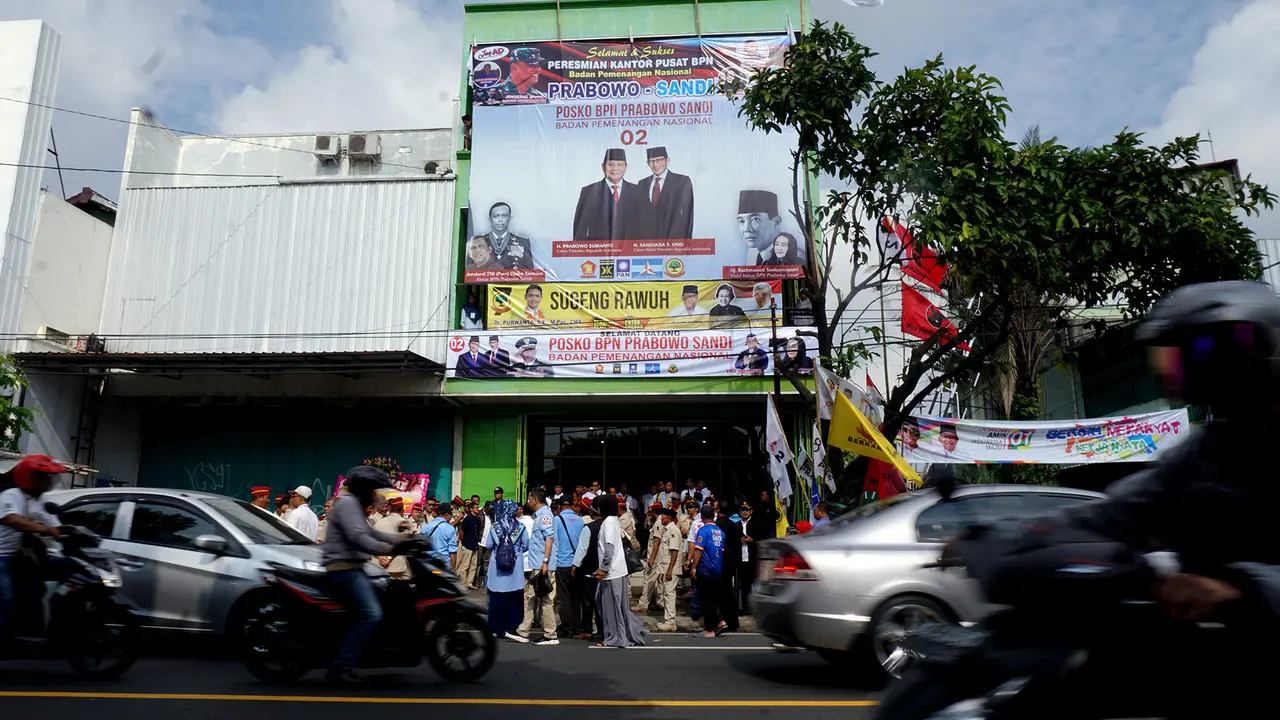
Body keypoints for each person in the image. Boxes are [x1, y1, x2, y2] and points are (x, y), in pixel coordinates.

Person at [968, 280, 1280, 719]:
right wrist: (998, 536)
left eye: (1198, 352)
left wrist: (1241, 591)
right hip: (1208, 652)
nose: (1180, 369)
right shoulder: (1203, 452)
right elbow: (1111, 514)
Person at [321, 466, 423, 684]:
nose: (376, 494)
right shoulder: (348, 504)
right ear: (364, 488)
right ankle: (341, 666)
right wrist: (392, 549)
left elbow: (372, 533)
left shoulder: (354, 505)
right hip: (343, 568)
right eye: (373, 489)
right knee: (371, 613)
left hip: (355, 567)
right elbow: (360, 538)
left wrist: (403, 540)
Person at [0, 455, 65, 639]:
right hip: (2, 556)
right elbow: (12, 520)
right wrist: (43, 529)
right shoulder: (11, 495)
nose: (49, 481)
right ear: (31, 477)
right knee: (4, 597)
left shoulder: (40, 501)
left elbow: (55, 525)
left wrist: (75, 533)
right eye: (44, 477)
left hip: (18, 556)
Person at [593, 494, 647, 647]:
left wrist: (603, 569)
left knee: (612, 607)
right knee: (613, 605)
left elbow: (609, 547)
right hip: (615, 571)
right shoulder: (613, 521)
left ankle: (616, 638)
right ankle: (626, 633)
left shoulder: (608, 522)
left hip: (612, 572)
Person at [572, 148, 654, 242]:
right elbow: (580, 227)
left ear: (625, 167)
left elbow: (647, 226)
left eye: (620, 164)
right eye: (611, 164)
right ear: (603, 167)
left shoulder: (638, 191)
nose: (615, 168)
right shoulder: (589, 191)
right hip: (599, 251)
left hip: (631, 250)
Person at [512, 489, 558, 645]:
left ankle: (550, 635)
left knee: (545, 599)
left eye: (529, 499)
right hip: (538, 565)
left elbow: (549, 539)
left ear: (535, 500)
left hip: (542, 566)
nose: (528, 502)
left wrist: (545, 561)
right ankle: (523, 631)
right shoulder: (539, 516)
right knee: (532, 597)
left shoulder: (545, 516)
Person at [483, 499, 528, 639]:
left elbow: (489, 545)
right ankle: (512, 628)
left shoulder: (495, 527)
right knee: (514, 599)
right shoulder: (520, 527)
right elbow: (526, 545)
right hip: (514, 569)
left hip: (497, 568)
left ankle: (496, 628)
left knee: (496, 599)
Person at [634, 507, 682, 631]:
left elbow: (674, 551)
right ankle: (668, 620)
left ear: (669, 518)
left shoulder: (673, 530)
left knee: (669, 594)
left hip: (669, 568)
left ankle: (670, 622)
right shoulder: (666, 530)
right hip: (664, 567)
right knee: (666, 594)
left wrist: (670, 569)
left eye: (664, 517)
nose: (662, 519)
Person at [636, 146, 694, 240]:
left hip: (673, 239)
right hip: (647, 242)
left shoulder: (681, 181)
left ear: (667, 160)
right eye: (652, 161)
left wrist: (687, 242)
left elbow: (688, 214)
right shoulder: (642, 183)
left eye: (659, 160)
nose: (655, 164)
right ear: (648, 163)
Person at [688, 505, 727, 638]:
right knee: (712, 597)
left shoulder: (703, 530)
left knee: (705, 599)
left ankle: (709, 629)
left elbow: (698, 550)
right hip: (717, 568)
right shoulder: (720, 532)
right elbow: (721, 551)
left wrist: (693, 567)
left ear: (701, 516)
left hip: (706, 568)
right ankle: (720, 621)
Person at [552, 495, 584, 637]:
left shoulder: (557, 520)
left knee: (564, 597)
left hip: (562, 563)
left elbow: (555, 543)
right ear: (572, 505)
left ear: (559, 506)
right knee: (576, 597)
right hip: (577, 564)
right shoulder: (580, 520)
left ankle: (567, 626)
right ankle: (577, 625)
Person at [714, 499, 743, 631]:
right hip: (731, 562)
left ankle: (723, 619)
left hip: (720, 561)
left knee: (720, 593)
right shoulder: (735, 525)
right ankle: (733, 621)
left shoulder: (717, 526)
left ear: (719, 510)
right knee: (729, 592)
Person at [736, 190, 785, 266]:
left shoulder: (787, 259)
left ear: (776, 222)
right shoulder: (753, 257)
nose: (746, 229)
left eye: (755, 219)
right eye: (741, 221)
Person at [485, 202, 533, 270]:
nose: (500, 219)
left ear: (510, 218)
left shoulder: (523, 242)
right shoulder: (478, 241)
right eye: (496, 216)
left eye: (504, 215)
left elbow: (529, 271)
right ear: (490, 219)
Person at [419, 503, 459, 571]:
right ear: (446, 514)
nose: (451, 517)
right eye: (450, 515)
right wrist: (454, 569)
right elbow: (453, 551)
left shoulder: (426, 527)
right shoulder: (449, 528)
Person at [456, 501, 484, 589]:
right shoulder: (467, 519)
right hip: (467, 544)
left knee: (473, 565)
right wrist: (463, 543)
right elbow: (462, 531)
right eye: (476, 508)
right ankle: (463, 583)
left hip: (474, 545)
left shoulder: (477, 519)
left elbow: (478, 529)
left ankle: (469, 582)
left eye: (478, 507)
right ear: (471, 509)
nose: (477, 509)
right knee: (465, 565)